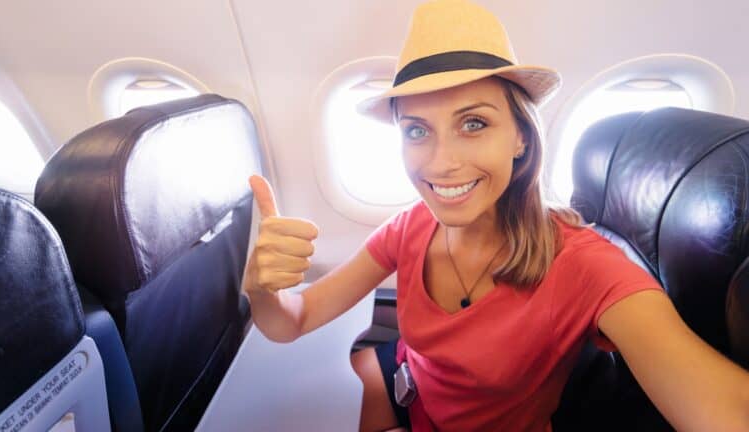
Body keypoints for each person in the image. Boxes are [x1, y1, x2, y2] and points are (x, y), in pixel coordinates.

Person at [243, 0, 749, 431]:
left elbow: (724, 410)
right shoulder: (408, 227)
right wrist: (261, 287)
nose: (441, 162)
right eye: (417, 130)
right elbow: (295, 321)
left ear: (521, 137)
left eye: (474, 123)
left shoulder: (583, 266)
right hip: (409, 390)